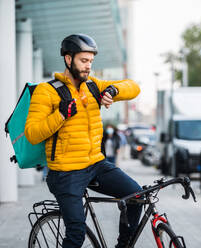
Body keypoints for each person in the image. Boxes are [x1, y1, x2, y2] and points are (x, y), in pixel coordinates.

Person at [25, 34, 142, 248]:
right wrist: (60, 115)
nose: (88, 67)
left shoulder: (93, 86)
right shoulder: (47, 91)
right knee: (76, 233)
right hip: (65, 171)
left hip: (95, 164)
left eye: (90, 61)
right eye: (83, 61)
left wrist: (114, 90)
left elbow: (133, 86)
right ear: (68, 60)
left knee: (136, 196)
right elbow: (32, 133)